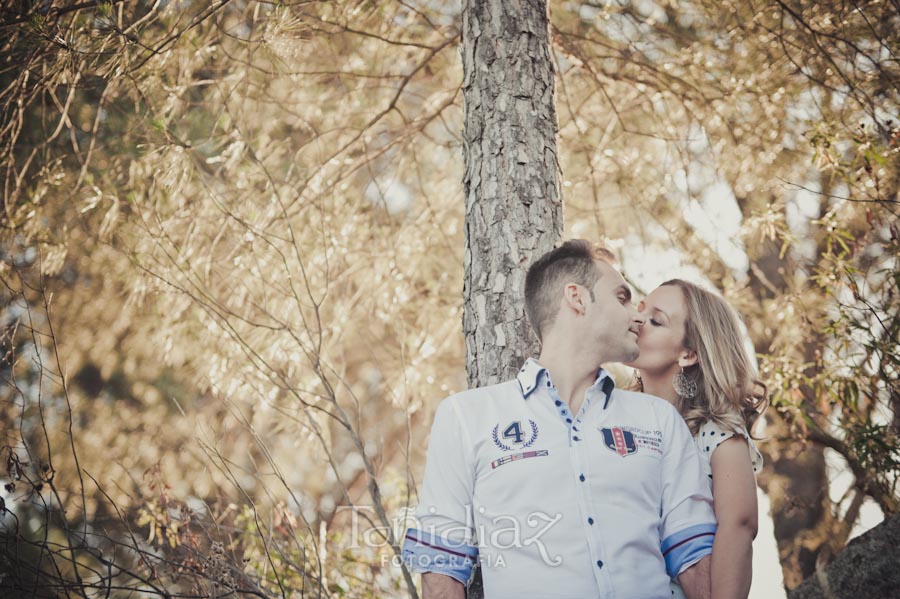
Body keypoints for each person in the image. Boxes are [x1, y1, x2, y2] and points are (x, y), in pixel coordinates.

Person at [402, 240, 717, 599]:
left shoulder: (659, 420)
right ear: (577, 298)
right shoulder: (466, 416)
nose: (636, 317)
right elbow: (442, 562)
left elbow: (694, 557)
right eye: (622, 298)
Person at [625, 279, 767, 599]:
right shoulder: (610, 422)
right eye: (639, 310)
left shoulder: (716, 434)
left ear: (688, 353)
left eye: (656, 321)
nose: (636, 320)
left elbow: (739, 528)